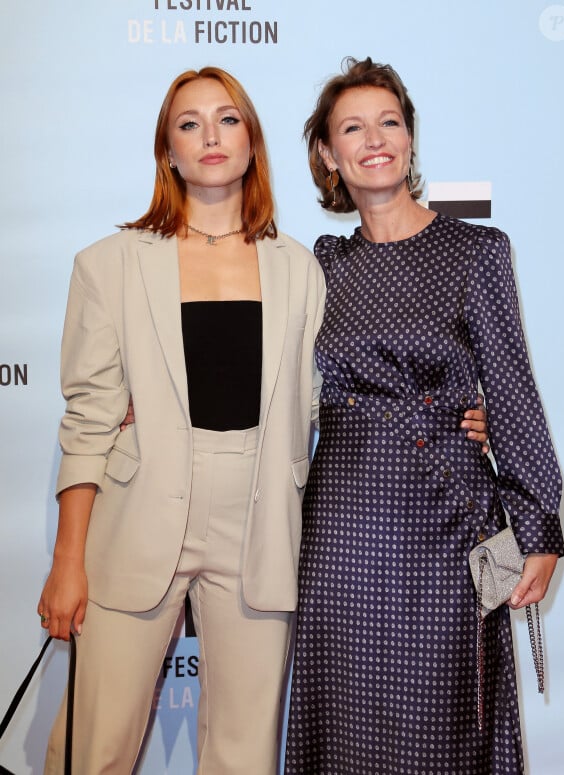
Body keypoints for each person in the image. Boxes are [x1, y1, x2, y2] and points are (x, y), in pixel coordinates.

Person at [37, 66, 327, 775]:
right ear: (167, 150)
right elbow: (89, 419)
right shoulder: (109, 265)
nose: (210, 136)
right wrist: (68, 559)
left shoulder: (301, 268)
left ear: (253, 141)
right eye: (189, 123)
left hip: (259, 518)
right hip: (137, 511)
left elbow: (327, 399)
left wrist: (454, 413)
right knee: (93, 744)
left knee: (244, 751)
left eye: (227, 119)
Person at [284, 57, 564, 775]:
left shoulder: (476, 251)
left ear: (410, 137)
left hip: (447, 524)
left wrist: (536, 524)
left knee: (447, 721)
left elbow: (511, 387)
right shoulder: (322, 263)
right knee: (344, 724)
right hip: (341, 527)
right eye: (353, 127)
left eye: (390, 122)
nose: (375, 139)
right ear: (327, 152)